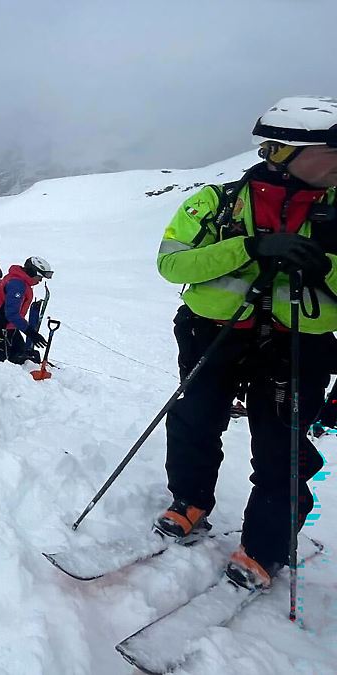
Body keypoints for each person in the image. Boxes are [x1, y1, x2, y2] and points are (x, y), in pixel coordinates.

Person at [153, 96, 337, 591]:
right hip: (213, 333)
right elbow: (173, 264)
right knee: (195, 419)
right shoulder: (215, 202)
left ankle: (264, 547)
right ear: (290, 152)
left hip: (296, 346)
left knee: (281, 447)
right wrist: (250, 248)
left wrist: (327, 261)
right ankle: (189, 501)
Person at [0, 256, 53, 364]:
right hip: (0, 325)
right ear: (32, 272)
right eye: (40, 277)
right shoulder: (17, 285)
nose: (40, 280)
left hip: (9, 325)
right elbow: (11, 314)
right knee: (1, 359)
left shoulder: (20, 280)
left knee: (19, 352)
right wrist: (31, 333)